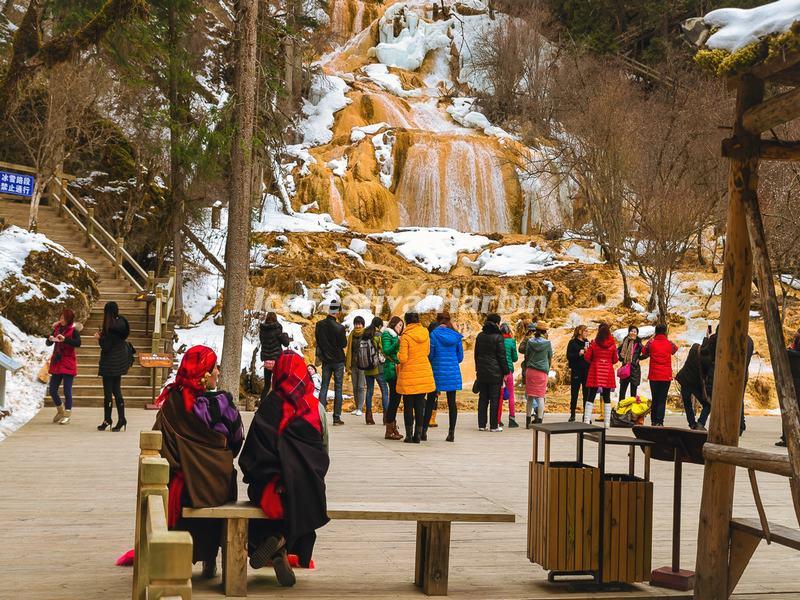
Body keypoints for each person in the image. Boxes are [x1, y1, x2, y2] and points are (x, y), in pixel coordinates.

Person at [239, 350, 330, 586]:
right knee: (299, 497)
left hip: (269, 484)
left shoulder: (269, 405)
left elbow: (250, 455)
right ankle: (282, 542)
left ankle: (274, 541)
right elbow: (323, 452)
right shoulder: (315, 408)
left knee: (265, 496)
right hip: (305, 487)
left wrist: (269, 475)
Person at [153, 345, 244, 579]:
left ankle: (178, 557)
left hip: (182, 488)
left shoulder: (172, 404)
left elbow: (159, 445)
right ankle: (210, 558)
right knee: (221, 481)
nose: (218, 372)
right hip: (217, 486)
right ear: (205, 374)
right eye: (214, 367)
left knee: (187, 485)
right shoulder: (222, 406)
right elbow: (235, 442)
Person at [701, 326, 754, 435]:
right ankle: (740, 425)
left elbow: (707, 353)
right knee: (739, 399)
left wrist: (708, 338)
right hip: (743, 374)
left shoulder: (722, 338)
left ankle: (721, 423)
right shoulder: (749, 340)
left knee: (719, 398)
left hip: (725, 373)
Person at [396, 312, 436, 443]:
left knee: (408, 406)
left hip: (409, 374)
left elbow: (403, 358)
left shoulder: (405, 336)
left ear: (407, 322)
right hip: (423, 372)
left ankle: (409, 435)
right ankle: (418, 435)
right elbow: (427, 352)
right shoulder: (425, 333)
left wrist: (397, 355)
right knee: (420, 405)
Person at [95, 301, 130, 431]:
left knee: (108, 394)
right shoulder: (122, 323)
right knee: (117, 391)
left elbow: (106, 346)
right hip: (119, 362)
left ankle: (107, 419)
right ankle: (122, 419)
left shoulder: (109, 327)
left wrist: (99, 338)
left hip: (109, 364)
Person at [428, 312, 464, 442]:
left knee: (431, 400)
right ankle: (451, 433)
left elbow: (430, 355)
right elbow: (460, 357)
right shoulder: (456, 336)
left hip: (437, 372)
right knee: (451, 403)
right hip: (452, 373)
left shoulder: (434, 334)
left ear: (438, 321)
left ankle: (423, 432)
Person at [474, 313, 509, 432]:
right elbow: (501, 357)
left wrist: (477, 369)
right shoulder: (498, 337)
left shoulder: (480, 336)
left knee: (483, 398)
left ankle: (481, 425)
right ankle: (494, 426)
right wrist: (506, 371)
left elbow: (476, 355)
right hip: (495, 373)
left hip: (482, 372)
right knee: (494, 399)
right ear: (497, 324)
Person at [46, 308, 82, 425]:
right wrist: (50, 339)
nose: (61, 320)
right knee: (52, 389)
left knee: (67, 390)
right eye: (60, 318)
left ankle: (67, 414)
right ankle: (60, 410)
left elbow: (78, 343)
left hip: (68, 362)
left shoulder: (73, 330)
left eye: (64, 318)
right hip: (57, 361)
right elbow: (48, 343)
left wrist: (65, 339)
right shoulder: (56, 328)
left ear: (69, 319)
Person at [315, 299, 347, 425]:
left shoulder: (319, 325)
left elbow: (319, 341)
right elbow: (343, 344)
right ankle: (336, 418)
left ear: (329, 310)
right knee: (338, 388)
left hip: (326, 361)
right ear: (338, 312)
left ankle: (320, 416)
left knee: (324, 387)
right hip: (338, 360)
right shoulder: (340, 328)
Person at [641, 323, 678, 427]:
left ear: (655, 332)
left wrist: (652, 339)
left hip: (654, 376)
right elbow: (675, 350)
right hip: (666, 376)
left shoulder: (651, 343)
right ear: (665, 331)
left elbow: (644, 351)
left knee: (655, 398)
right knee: (662, 399)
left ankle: (653, 421)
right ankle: (660, 421)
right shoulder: (669, 343)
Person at [583, 322, 618, 428]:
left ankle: (586, 420)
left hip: (595, 371)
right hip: (607, 372)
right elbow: (615, 360)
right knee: (607, 397)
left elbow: (587, 357)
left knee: (591, 395)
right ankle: (607, 423)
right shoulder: (612, 345)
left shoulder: (594, 343)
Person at [519, 322, 553, 427]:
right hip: (542, 371)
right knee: (540, 397)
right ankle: (539, 421)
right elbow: (549, 357)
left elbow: (527, 355)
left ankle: (528, 421)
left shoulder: (530, 342)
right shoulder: (547, 343)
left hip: (530, 371)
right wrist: (547, 369)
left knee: (530, 397)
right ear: (545, 332)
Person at [676, 343, 710, 430]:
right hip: (695, 383)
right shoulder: (708, 357)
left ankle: (692, 423)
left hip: (684, 379)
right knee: (708, 404)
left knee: (687, 403)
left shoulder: (694, 347)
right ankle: (701, 423)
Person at [381, 316, 404, 440]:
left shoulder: (395, 335)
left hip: (397, 368)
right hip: (391, 369)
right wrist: (397, 343)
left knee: (396, 399)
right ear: (394, 324)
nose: (401, 328)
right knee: (394, 399)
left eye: (402, 325)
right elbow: (386, 350)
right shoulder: (387, 334)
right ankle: (389, 429)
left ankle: (392, 427)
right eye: (399, 325)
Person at [363, 317, 389, 426]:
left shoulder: (365, 334)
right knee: (385, 391)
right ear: (379, 326)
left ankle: (368, 417)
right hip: (378, 368)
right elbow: (383, 350)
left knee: (369, 391)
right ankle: (386, 417)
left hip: (367, 368)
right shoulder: (378, 336)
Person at [259, 312, 290, 399]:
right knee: (278, 384)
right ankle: (278, 404)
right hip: (277, 361)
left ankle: (262, 404)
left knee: (267, 384)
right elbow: (286, 343)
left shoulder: (262, 330)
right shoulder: (277, 329)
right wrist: (285, 335)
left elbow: (262, 342)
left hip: (267, 361)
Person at [777, 330, 800, 447]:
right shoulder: (795, 344)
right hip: (793, 380)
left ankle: (789, 438)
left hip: (796, 381)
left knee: (792, 409)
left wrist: (788, 352)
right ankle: (786, 437)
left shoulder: (795, 349)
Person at [345, 315, 369, 420]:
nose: (358, 325)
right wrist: (348, 364)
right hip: (354, 364)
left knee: (360, 387)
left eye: (359, 323)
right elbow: (349, 350)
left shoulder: (366, 334)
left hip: (363, 365)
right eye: (356, 323)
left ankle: (360, 408)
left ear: (363, 324)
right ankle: (357, 407)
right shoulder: (351, 335)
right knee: (354, 387)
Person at [566, 325, 589, 422]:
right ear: (580, 332)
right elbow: (568, 356)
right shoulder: (572, 342)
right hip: (576, 370)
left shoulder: (587, 343)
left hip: (586, 370)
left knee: (586, 393)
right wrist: (578, 354)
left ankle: (586, 415)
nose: (587, 333)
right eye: (585, 331)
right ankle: (572, 414)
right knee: (574, 393)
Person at [498, 323, 519, 428]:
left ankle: (498, 419)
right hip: (509, 371)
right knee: (511, 395)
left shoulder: (498, 340)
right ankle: (512, 419)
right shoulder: (512, 341)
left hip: (499, 371)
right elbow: (515, 358)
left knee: (500, 395)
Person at [617, 325, 642, 400]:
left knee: (633, 393)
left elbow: (646, 352)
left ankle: (632, 410)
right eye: (631, 331)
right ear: (628, 332)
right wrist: (621, 357)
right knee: (622, 391)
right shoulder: (625, 342)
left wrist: (639, 358)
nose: (633, 333)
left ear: (637, 334)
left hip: (634, 370)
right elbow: (619, 352)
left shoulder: (639, 344)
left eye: (635, 332)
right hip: (625, 369)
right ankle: (621, 409)